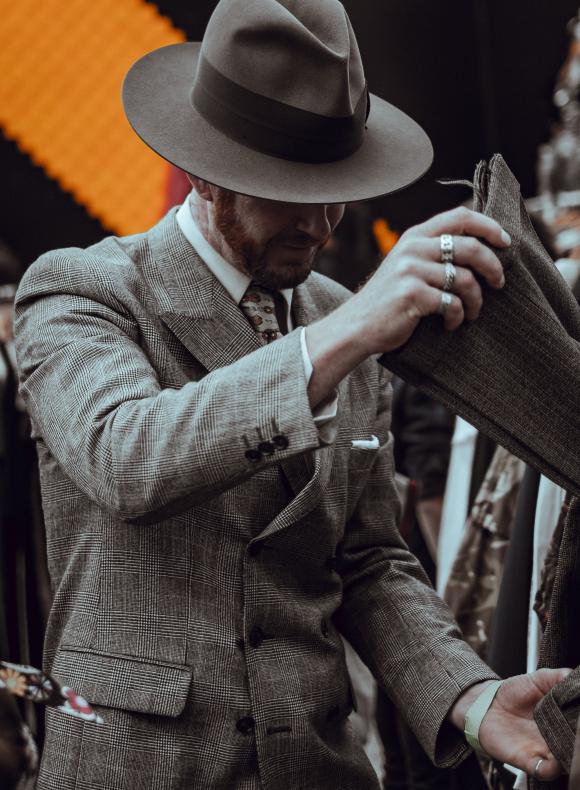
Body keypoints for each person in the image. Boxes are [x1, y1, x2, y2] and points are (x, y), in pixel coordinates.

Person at [13, 1, 570, 788]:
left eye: (337, 185)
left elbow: (369, 559)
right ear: (205, 172)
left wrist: (471, 697)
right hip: (136, 768)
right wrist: (346, 337)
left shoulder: (343, 316)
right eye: (288, 190)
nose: (320, 221)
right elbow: (127, 458)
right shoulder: (80, 289)